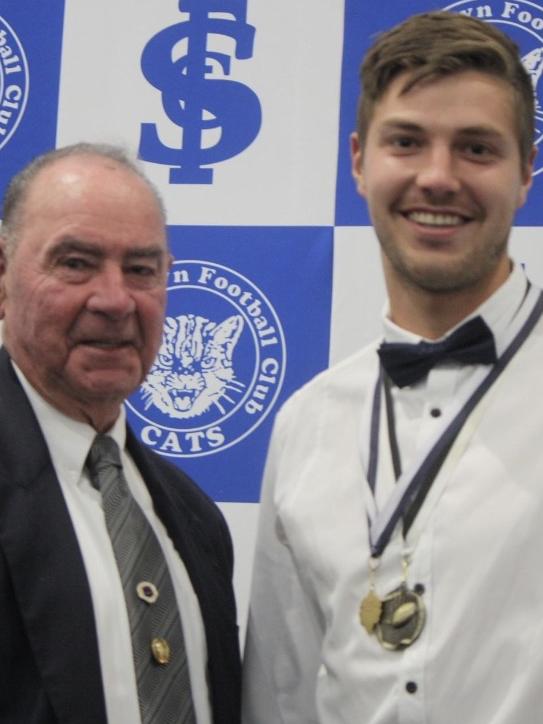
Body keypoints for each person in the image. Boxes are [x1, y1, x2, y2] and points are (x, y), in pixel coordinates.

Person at [242, 11, 542, 723]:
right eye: (406, 142)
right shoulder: (306, 424)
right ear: (357, 161)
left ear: (525, 172)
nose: (437, 178)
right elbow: (278, 696)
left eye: (475, 148)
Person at [0, 143, 240, 723]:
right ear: (3, 277)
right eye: (76, 263)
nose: (115, 300)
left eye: (141, 270)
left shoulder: (195, 519)